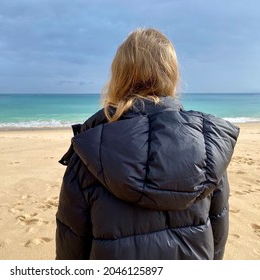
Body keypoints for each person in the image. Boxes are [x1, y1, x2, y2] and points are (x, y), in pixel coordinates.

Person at [55, 28, 240, 260]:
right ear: (171, 74)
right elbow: (217, 238)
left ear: (120, 74)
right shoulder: (205, 147)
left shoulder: (90, 150)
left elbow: (71, 249)